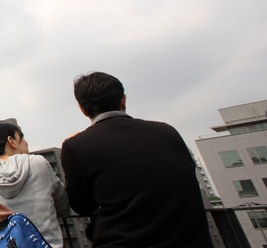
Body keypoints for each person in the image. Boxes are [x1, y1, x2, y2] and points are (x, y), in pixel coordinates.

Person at [60, 71, 213, 247]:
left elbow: (82, 205)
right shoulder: (167, 131)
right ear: (123, 99)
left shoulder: (76, 146)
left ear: (82, 109)